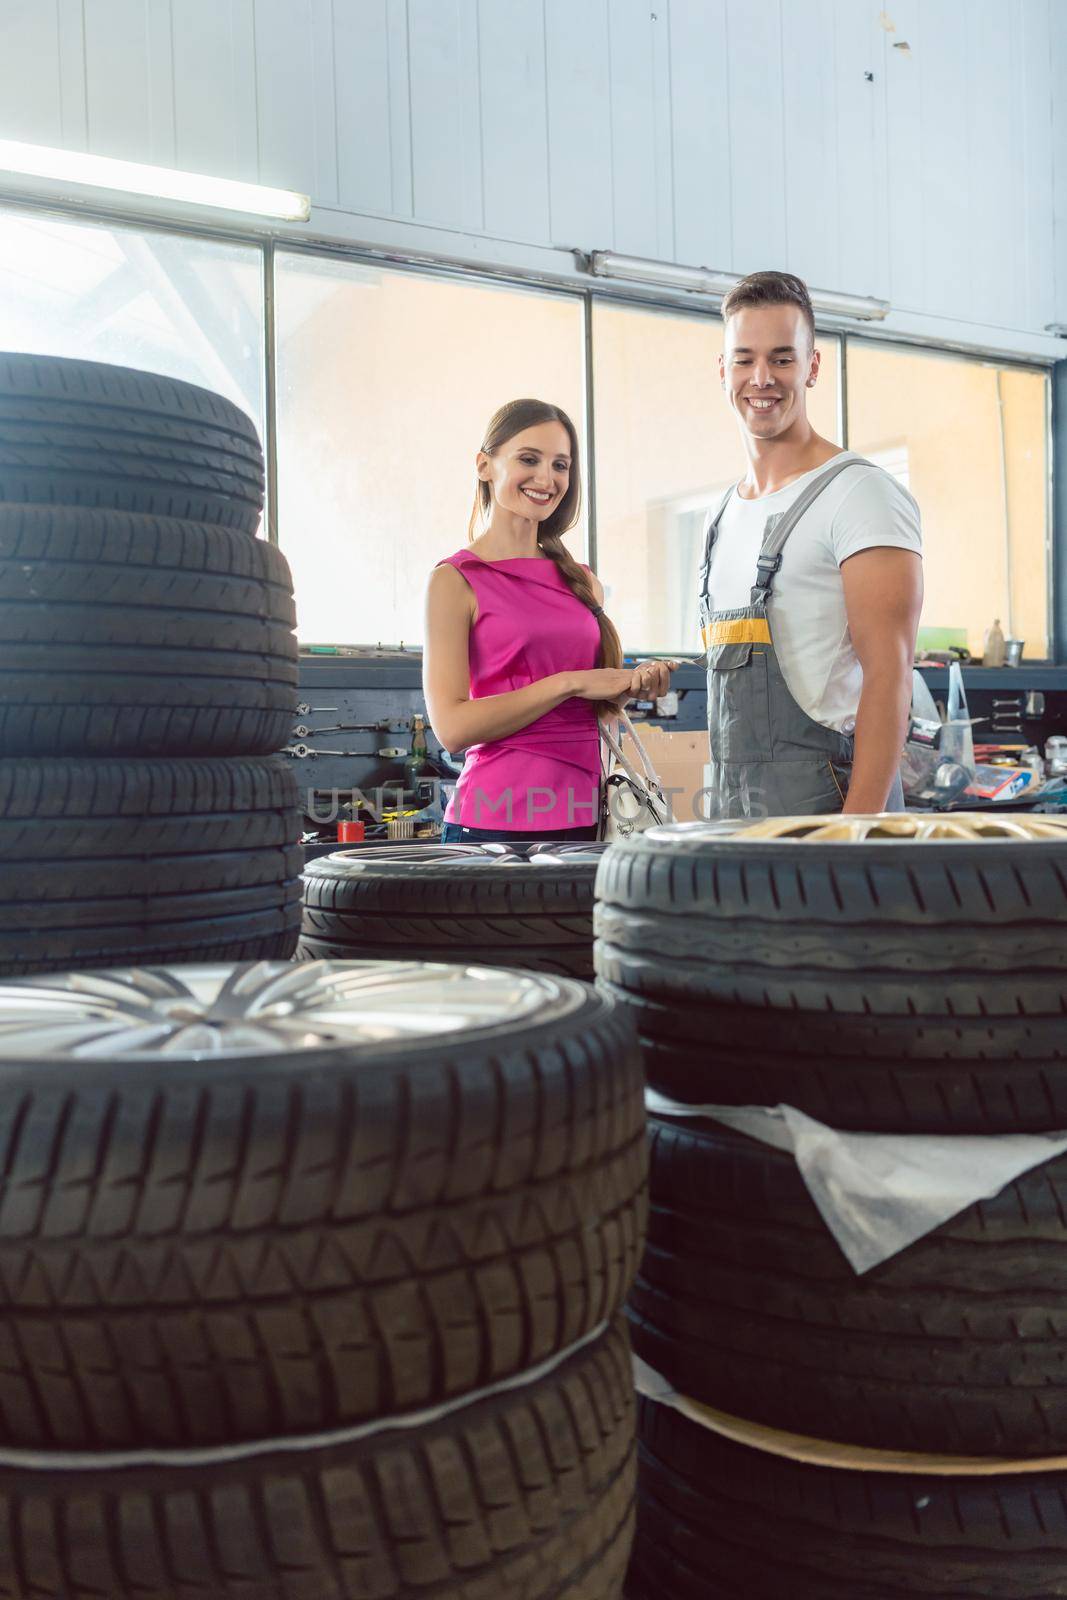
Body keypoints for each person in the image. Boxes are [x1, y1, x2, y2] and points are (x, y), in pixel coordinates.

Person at [700, 270, 923, 818]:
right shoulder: (720, 515)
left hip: (834, 812)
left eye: (782, 358)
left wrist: (856, 835)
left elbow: (890, 677)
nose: (762, 378)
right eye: (745, 358)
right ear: (722, 369)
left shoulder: (861, 495)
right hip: (736, 813)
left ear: (813, 366)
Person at [424, 397, 676, 843]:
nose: (546, 478)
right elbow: (452, 729)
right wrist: (570, 682)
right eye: (528, 459)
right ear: (485, 465)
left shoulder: (583, 582)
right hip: (493, 824)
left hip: (586, 817)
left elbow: (594, 708)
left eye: (560, 465)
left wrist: (634, 683)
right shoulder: (455, 580)